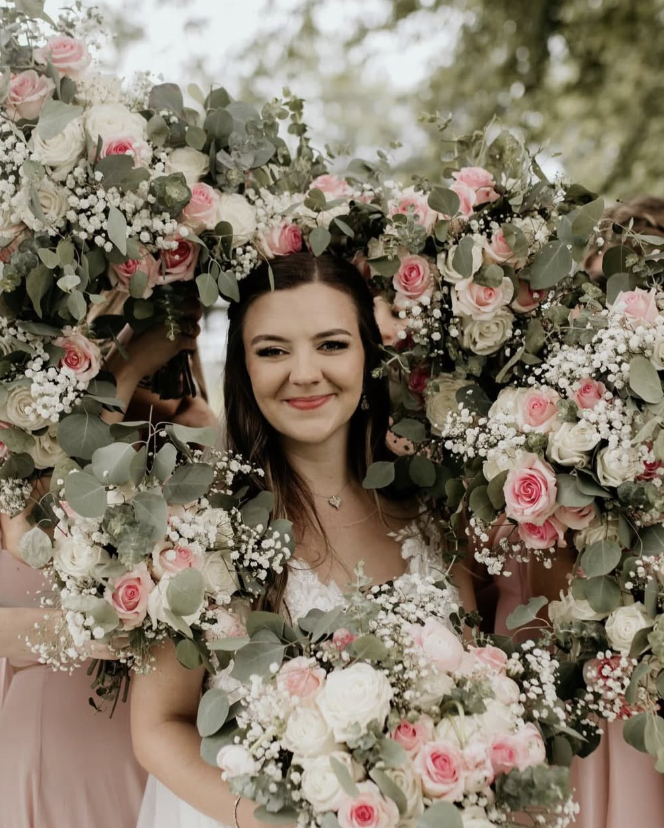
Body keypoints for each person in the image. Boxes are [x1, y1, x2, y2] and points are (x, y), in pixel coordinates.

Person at [131, 252, 476, 828]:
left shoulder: (431, 519)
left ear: (368, 355)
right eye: (272, 350)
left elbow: (470, 694)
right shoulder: (199, 527)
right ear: (243, 367)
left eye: (332, 344)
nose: (305, 372)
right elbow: (157, 728)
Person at [0, 302, 213, 828]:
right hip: (70, 740)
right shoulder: (21, 448)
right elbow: (60, 536)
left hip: (184, 747)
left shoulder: (193, 431)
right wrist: (130, 364)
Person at [491, 195, 664, 828]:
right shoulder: (540, 410)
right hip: (555, 657)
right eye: (596, 280)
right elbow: (538, 580)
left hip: (636, 679)